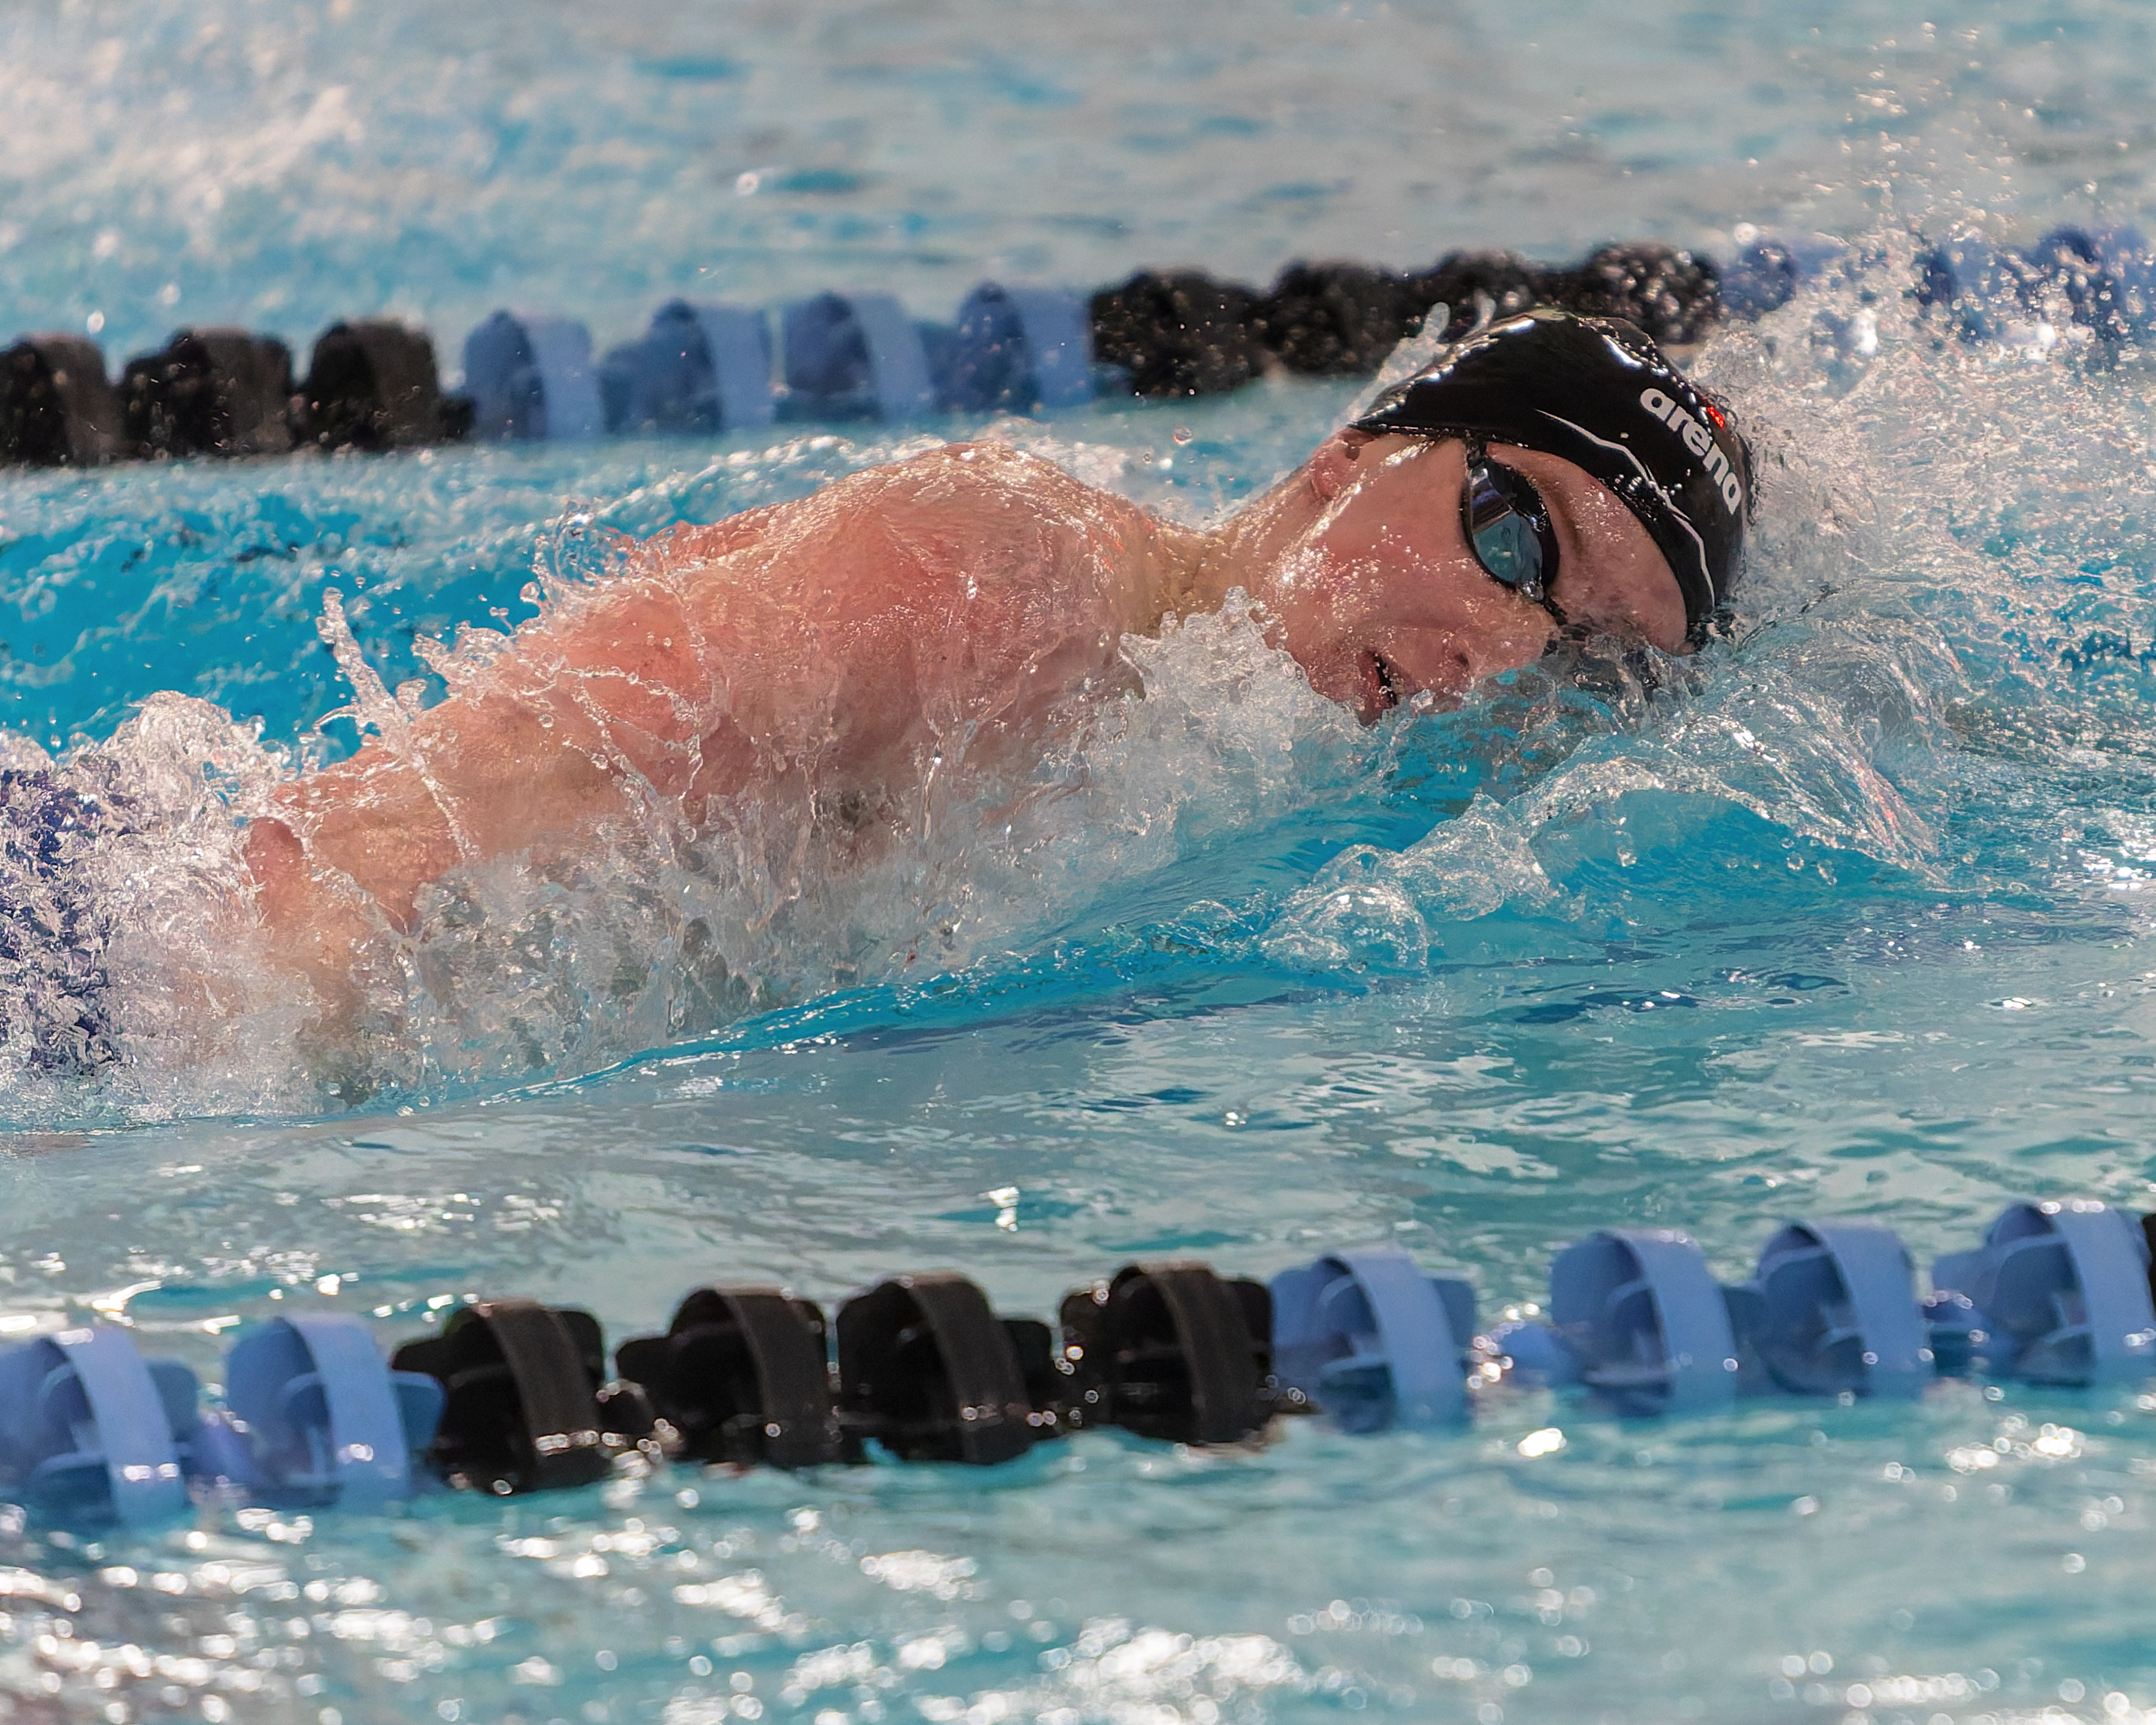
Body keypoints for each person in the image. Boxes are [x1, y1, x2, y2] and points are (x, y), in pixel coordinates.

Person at [17, 307, 1752, 1075]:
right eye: (1517, 533)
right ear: (1348, 451)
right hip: (103, 951)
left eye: (1592, 656)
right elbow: (367, 846)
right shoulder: (1005, 580)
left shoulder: (1207, 757)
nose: (1507, 654)